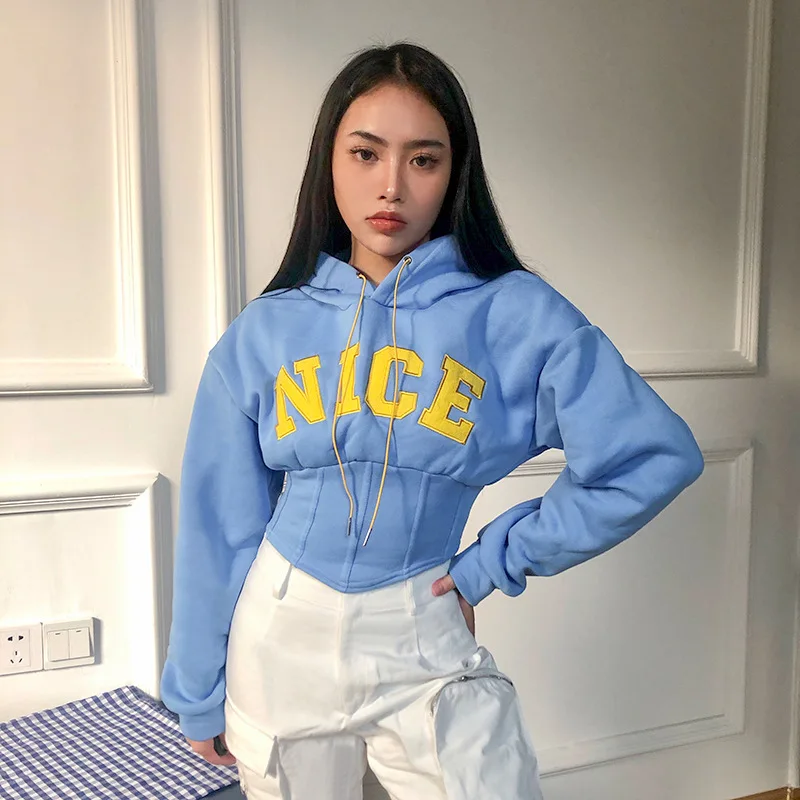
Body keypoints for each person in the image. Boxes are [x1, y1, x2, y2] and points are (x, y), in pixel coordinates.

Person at [160, 41, 704, 800]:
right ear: (329, 164)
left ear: (455, 174)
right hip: (279, 635)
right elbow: (220, 524)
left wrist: (493, 562)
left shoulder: (517, 315)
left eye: (423, 159)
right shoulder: (267, 330)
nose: (391, 185)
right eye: (365, 154)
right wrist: (196, 689)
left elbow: (651, 455)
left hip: (422, 626)